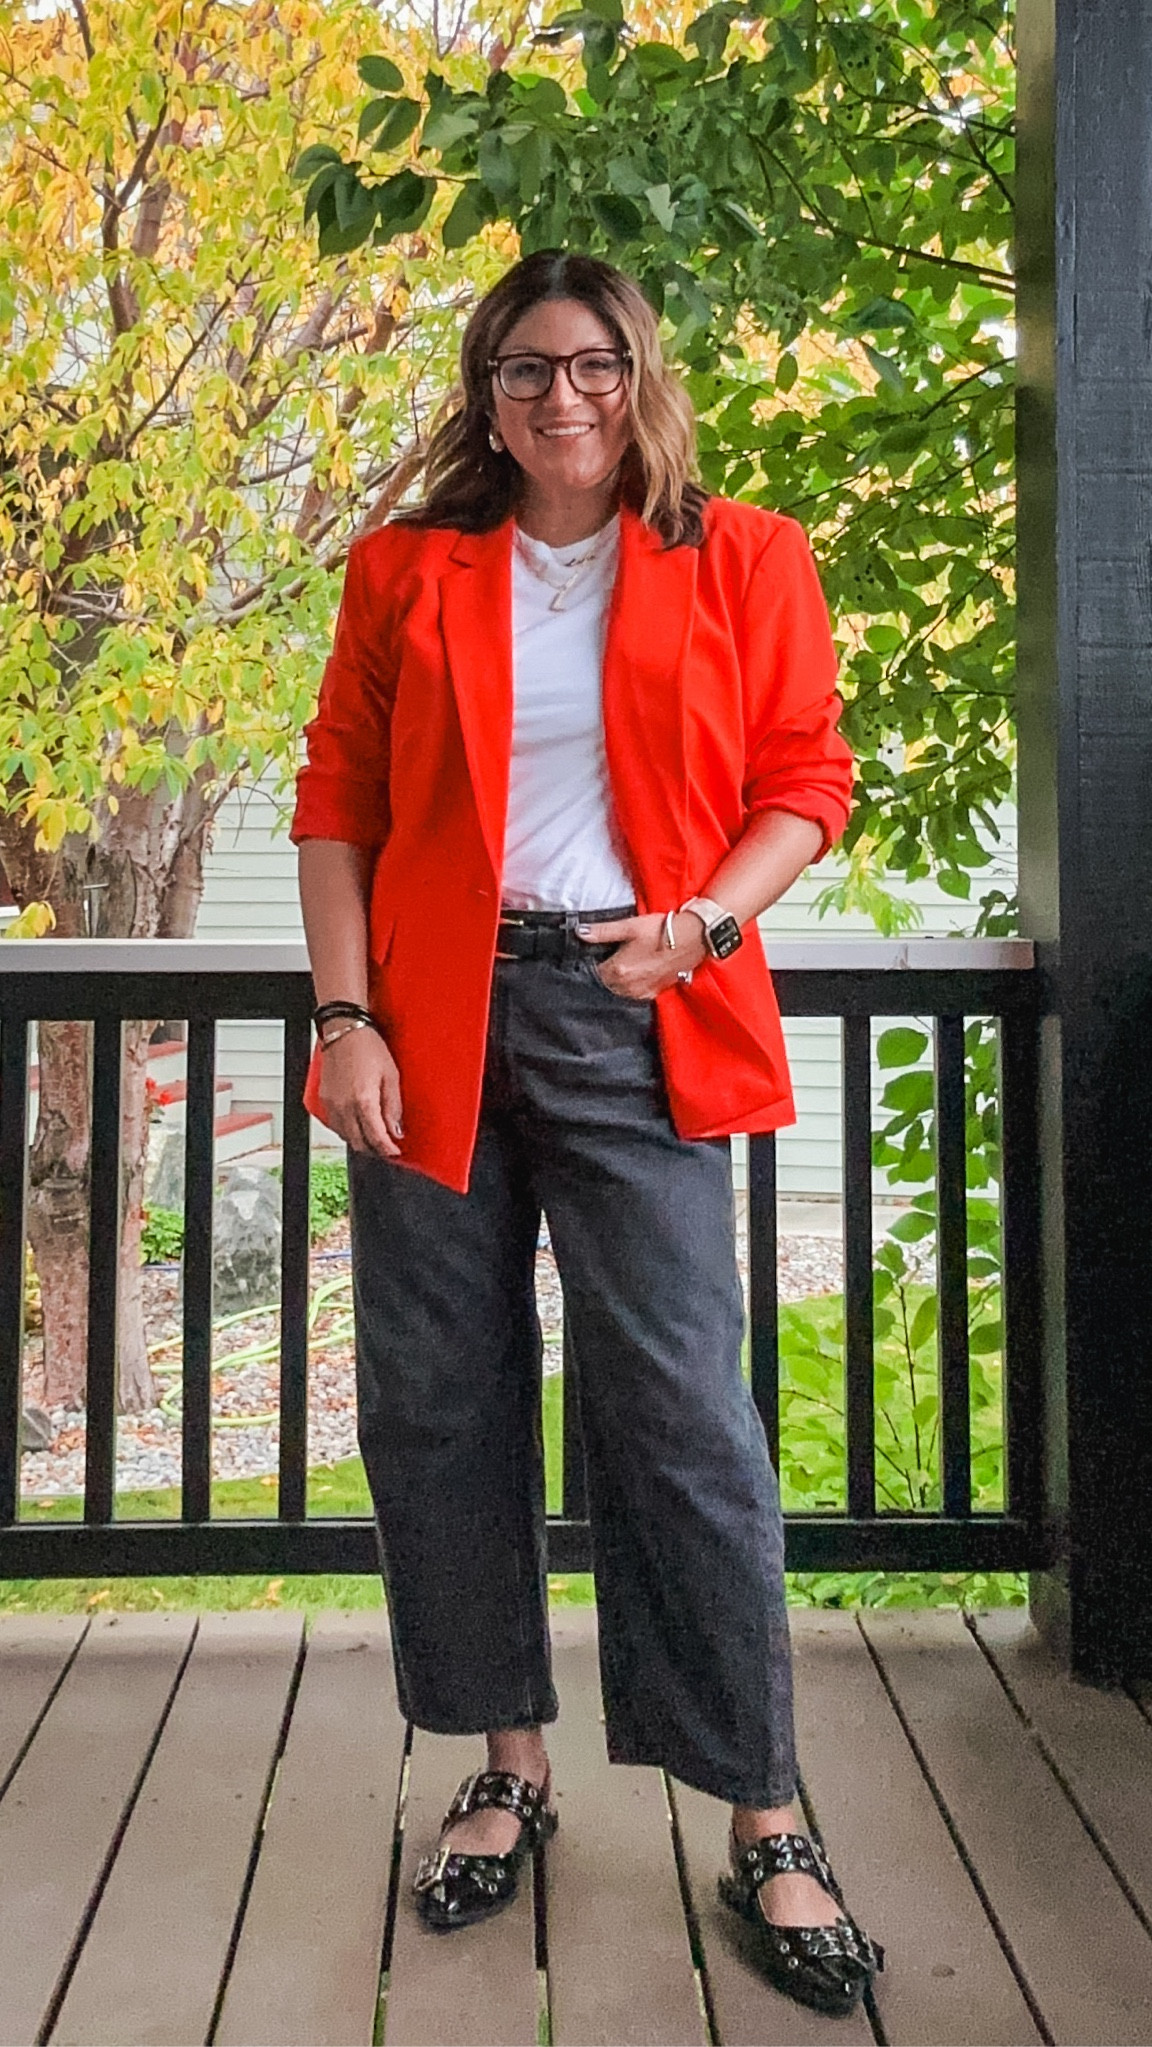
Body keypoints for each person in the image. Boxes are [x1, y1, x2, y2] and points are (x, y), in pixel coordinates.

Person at [292, 249, 883, 2019]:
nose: (566, 396)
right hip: (433, 1025)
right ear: (488, 393)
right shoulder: (407, 569)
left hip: (638, 1010)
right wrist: (344, 1019)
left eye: (597, 363)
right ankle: (508, 1764)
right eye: (530, 368)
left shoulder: (743, 554)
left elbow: (808, 784)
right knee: (439, 1397)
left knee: (683, 1408)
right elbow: (338, 802)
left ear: (642, 375)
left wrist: (700, 923)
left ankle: (765, 1808)